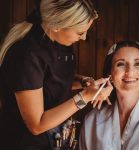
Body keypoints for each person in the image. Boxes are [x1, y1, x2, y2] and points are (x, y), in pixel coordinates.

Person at [0, 0, 113, 150]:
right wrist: (85, 97)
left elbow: (50, 80)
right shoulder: (28, 54)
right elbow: (37, 125)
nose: (84, 38)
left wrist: (84, 82)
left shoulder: (60, 41)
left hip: (55, 140)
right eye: (80, 32)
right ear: (57, 25)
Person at [79, 40, 139, 150]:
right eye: (120, 64)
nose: (130, 72)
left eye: (138, 64)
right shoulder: (92, 120)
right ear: (109, 74)